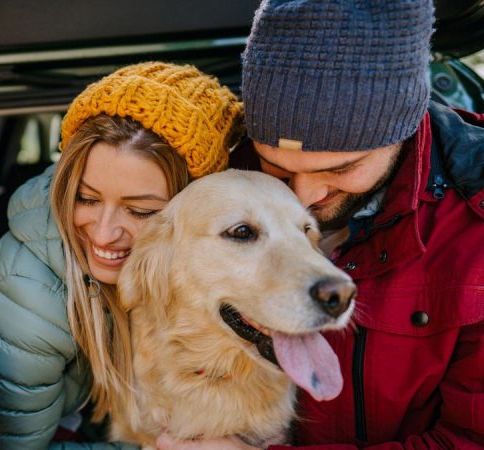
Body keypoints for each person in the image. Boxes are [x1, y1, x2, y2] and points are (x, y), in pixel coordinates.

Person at [156, 1, 484, 449]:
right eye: (276, 165)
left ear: (403, 129)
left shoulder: (474, 221)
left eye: (340, 169)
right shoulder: (212, 171)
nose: (304, 195)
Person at [0, 62, 244, 449]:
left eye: (140, 211)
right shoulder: (34, 303)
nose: (103, 233)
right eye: (86, 198)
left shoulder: (205, 264)